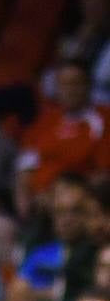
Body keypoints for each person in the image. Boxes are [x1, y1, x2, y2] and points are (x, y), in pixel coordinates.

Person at [16, 59, 110, 215]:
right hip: (40, 208)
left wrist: (62, 198)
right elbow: (24, 172)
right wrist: (25, 210)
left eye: (76, 83)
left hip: (82, 207)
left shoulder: (103, 120)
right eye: (64, 84)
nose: (70, 90)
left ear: (88, 86)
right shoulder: (42, 123)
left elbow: (103, 177)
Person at [10, 173, 101, 301]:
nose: (66, 220)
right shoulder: (40, 253)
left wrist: (42, 295)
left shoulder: (99, 253)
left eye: (75, 211)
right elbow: (16, 293)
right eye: (59, 212)